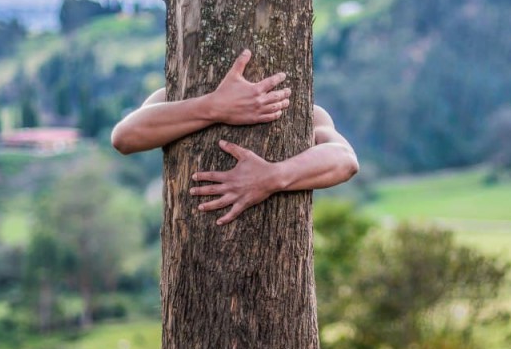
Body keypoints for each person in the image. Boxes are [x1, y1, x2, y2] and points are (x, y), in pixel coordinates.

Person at [111, 49, 358, 225]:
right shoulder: (176, 95)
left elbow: (345, 160)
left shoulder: (296, 110)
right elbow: (125, 137)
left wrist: (273, 176)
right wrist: (213, 107)